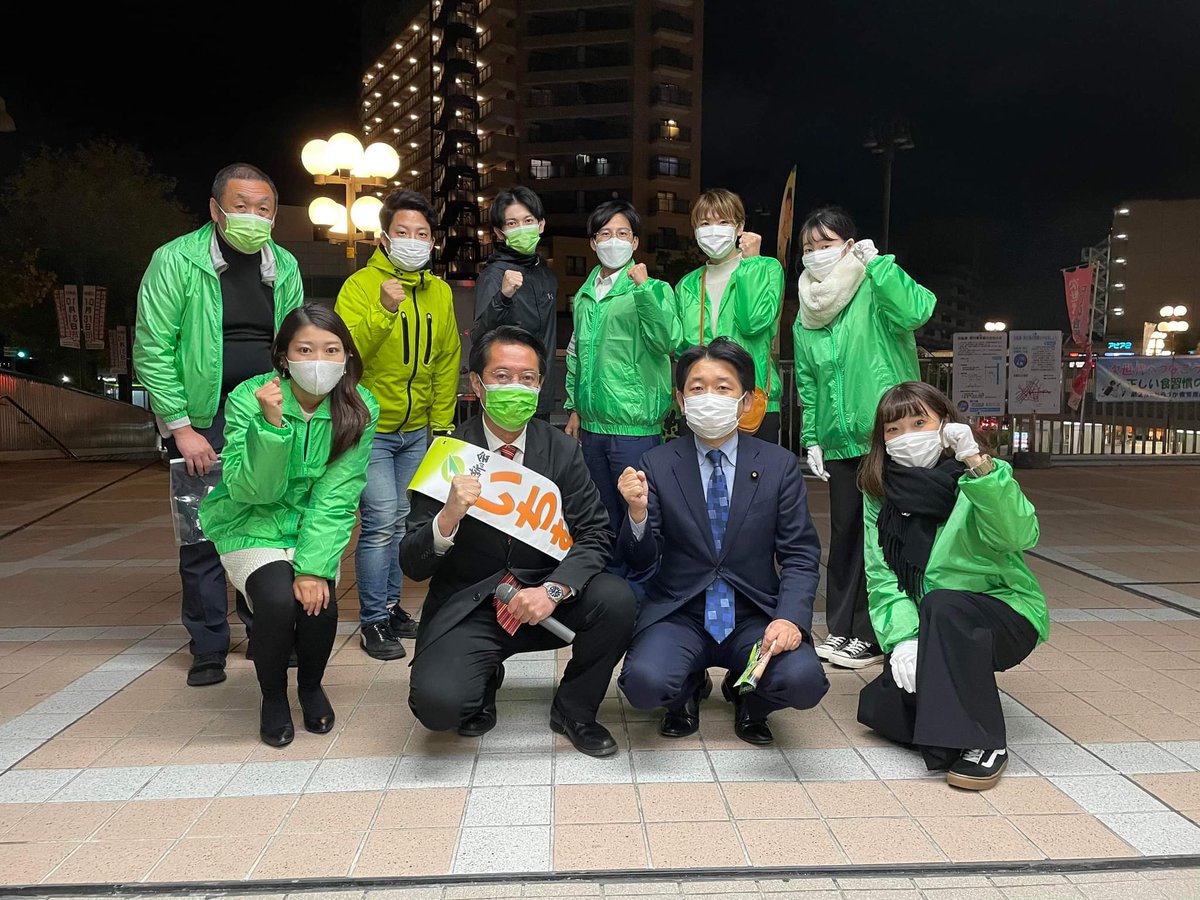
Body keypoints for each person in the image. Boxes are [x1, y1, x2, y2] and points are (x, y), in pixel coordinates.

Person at [402, 326, 636, 756]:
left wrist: (554, 589)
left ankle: (574, 710)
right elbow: (412, 563)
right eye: (502, 376)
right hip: (472, 606)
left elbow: (596, 533)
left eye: (527, 378)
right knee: (439, 708)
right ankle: (483, 678)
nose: (516, 387)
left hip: (543, 600)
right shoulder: (448, 453)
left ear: (541, 385)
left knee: (617, 599)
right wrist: (447, 516)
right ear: (478, 384)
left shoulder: (562, 450)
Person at [135, 162, 304, 687]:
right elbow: (153, 347)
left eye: (263, 208)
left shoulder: (284, 265)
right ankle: (208, 644)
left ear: (274, 215)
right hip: (200, 420)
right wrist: (180, 427)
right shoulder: (175, 259)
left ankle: (264, 633)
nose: (252, 216)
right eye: (240, 206)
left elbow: (297, 341)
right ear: (215, 209)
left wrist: (292, 412)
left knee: (266, 524)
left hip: (265, 414)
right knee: (202, 532)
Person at [617, 338, 829, 745]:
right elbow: (639, 560)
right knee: (644, 683)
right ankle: (687, 689)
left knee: (803, 680)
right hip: (680, 612)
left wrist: (790, 618)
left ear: (746, 401)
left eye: (723, 387)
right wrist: (637, 514)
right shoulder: (656, 464)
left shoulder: (778, 465)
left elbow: (801, 554)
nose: (709, 397)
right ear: (681, 401)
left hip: (754, 613)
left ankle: (751, 698)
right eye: (697, 388)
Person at [198, 305, 378, 747]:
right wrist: (271, 427)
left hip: (310, 527)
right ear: (284, 357)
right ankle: (274, 697)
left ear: (347, 357)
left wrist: (313, 568)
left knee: (320, 603)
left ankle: (310, 686)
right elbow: (249, 491)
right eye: (305, 350)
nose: (319, 361)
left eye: (331, 350)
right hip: (250, 523)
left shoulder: (360, 407)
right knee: (278, 600)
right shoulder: (250, 397)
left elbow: (337, 496)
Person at [855, 382, 1048, 790]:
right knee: (883, 706)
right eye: (893, 429)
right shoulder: (879, 493)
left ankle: (985, 743)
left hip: (1002, 612)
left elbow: (1019, 535)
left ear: (945, 424)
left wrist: (976, 463)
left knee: (944, 605)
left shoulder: (982, 476)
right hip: (932, 623)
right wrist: (904, 639)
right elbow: (881, 574)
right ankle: (948, 725)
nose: (906, 437)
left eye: (919, 423)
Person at [791, 206, 936, 670]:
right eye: (809, 247)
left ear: (850, 245)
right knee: (846, 537)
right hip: (839, 442)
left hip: (887, 436)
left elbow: (918, 310)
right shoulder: (807, 313)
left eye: (827, 244)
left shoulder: (875, 288)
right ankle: (843, 628)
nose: (817, 254)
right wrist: (813, 437)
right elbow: (808, 381)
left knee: (885, 536)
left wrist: (881, 266)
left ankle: (877, 632)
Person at [335, 189, 461, 661]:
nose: (413, 240)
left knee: (404, 523)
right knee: (380, 521)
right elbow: (345, 355)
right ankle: (372, 619)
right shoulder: (360, 286)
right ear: (384, 238)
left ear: (432, 241)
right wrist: (384, 311)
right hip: (370, 428)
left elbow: (447, 359)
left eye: (422, 234)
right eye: (403, 232)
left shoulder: (439, 292)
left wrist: (442, 424)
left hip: (417, 431)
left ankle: (391, 607)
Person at [564, 199, 681, 540]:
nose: (613, 241)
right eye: (605, 234)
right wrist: (574, 407)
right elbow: (576, 355)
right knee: (600, 514)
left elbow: (667, 341)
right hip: (592, 426)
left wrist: (643, 290)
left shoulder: (655, 289)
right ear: (593, 243)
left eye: (622, 233)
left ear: (635, 242)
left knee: (639, 512)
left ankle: (641, 572)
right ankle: (607, 572)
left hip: (635, 427)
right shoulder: (584, 296)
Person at [673, 189, 785, 441]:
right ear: (695, 230)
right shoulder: (687, 285)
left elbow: (752, 322)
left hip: (750, 401)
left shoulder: (766, 268)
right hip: (702, 405)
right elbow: (682, 350)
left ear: (739, 227)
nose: (714, 230)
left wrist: (752, 263)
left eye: (723, 222)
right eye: (705, 223)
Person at [472, 186, 558, 420]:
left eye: (528, 221)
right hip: (505, 396)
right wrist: (503, 296)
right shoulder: (493, 275)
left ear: (541, 225)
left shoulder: (547, 276)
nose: (522, 228)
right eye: (512, 223)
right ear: (499, 233)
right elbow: (478, 336)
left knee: (539, 445)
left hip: (539, 393)